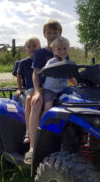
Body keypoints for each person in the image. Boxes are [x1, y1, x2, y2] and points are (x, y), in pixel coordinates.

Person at [23, 19, 63, 164]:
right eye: (49, 32)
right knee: (37, 103)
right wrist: (37, 90)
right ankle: (33, 146)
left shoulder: (62, 50)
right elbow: (35, 73)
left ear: (60, 34)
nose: (52, 35)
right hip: (43, 87)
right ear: (44, 34)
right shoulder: (40, 53)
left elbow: (68, 71)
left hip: (60, 88)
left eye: (55, 32)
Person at [41, 36, 77, 116]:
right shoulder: (51, 62)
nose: (62, 51)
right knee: (48, 106)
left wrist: (77, 85)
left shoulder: (68, 63)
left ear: (68, 49)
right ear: (54, 51)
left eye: (64, 48)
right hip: (50, 90)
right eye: (59, 49)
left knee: (75, 101)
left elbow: (70, 77)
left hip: (63, 89)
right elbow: (45, 71)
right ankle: (42, 126)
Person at [15, 37, 41, 144]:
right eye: (29, 47)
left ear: (40, 47)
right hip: (30, 88)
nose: (32, 49)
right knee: (30, 99)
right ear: (25, 49)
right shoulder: (23, 62)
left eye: (34, 46)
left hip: (43, 88)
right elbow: (19, 76)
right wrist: (20, 89)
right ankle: (28, 131)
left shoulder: (43, 61)